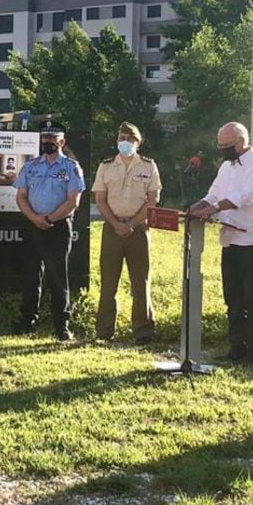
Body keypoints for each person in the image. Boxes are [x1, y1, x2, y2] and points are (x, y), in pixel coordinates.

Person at [188, 122, 253, 364]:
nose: (223, 151)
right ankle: (237, 348)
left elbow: (245, 196)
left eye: (226, 146)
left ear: (240, 141)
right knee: (233, 298)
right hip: (230, 240)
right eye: (220, 146)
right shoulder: (226, 166)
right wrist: (195, 208)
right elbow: (213, 194)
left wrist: (213, 209)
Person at [14, 120, 86, 341]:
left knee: (58, 277)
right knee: (31, 275)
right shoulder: (31, 166)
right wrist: (35, 218)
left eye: (52, 140)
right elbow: (21, 196)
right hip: (33, 224)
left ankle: (61, 326)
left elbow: (73, 201)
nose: (47, 143)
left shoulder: (71, 167)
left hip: (58, 225)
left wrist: (49, 218)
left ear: (62, 142)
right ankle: (28, 321)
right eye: (44, 139)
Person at [92, 122, 162, 343]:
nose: (126, 143)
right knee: (108, 281)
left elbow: (153, 201)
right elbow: (100, 200)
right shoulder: (106, 166)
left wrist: (131, 223)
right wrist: (116, 223)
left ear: (138, 143)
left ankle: (143, 332)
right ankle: (104, 332)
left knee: (140, 282)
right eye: (122, 138)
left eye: (130, 139)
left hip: (138, 229)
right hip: (112, 228)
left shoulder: (149, 166)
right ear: (117, 141)